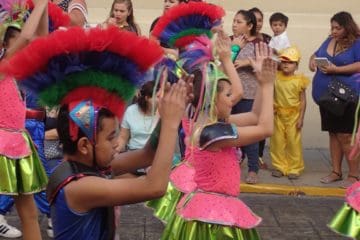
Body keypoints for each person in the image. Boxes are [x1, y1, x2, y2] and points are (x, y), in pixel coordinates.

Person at [2, 25, 193, 239]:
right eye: (111, 137)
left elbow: (146, 155)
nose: (116, 144)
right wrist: (169, 123)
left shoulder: (90, 165)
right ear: (84, 145)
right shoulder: (80, 187)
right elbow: (155, 187)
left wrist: (170, 110)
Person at [161, 41, 276, 240]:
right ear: (213, 100)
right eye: (228, 95)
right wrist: (268, 84)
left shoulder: (210, 123)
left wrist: (260, 82)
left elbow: (256, 117)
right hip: (211, 217)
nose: (233, 100)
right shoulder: (212, 134)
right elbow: (266, 128)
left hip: (213, 207)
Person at [309, 11, 360, 188]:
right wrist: (312, 60)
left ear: (348, 27)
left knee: (345, 135)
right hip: (327, 97)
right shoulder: (329, 39)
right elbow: (317, 54)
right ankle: (336, 171)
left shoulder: (357, 43)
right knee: (333, 133)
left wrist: (336, 70)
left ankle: (354, 174)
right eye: (332, 27)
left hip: (347, 97)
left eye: (338, 28)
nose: (334, 31)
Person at [231, 9, 262, 184]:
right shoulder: (229, 41)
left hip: (249, 94)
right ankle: (230, 165)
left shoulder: (258, 43)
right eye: (234, 21)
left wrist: (247, 62)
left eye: (239, 22)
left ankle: (253, 169)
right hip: (229, 94)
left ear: (250, 26)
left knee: (249, 134)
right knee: (229, 132)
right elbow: (221, 62)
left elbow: (267, 63)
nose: (234, 24)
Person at [270, 46, 310, 179]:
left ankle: (294, 167)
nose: (286, 65)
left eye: (290, 62)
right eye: (284, 62)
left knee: (293, 142)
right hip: (278, 115)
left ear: (296, 65)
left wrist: (301, 118)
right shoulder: (276, 77)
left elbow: (303, 101)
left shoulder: (299, 81)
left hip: (293, 116)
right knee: (277, 141)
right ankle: (279, 166)